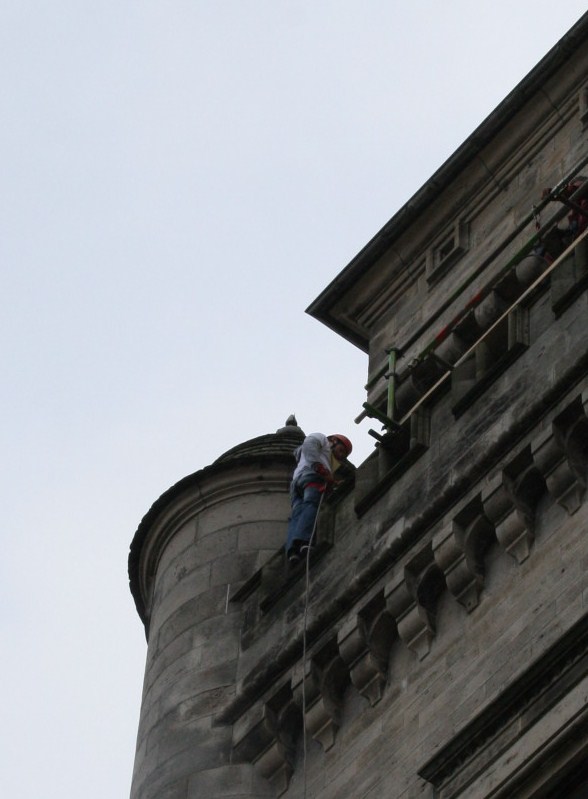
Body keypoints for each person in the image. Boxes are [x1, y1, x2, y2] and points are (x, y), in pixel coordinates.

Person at [286, 433, 352, 564]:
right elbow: (310, 444)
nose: (341, 456)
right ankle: (304, 541)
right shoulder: (321, 439)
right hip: (311, 476)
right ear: (333, 441)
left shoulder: (320, 456)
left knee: (297, 515)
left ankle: (293, 550)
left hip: (297, 484)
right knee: (312, 504)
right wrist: (321, 469)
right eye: (341, 450)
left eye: (343, 455)